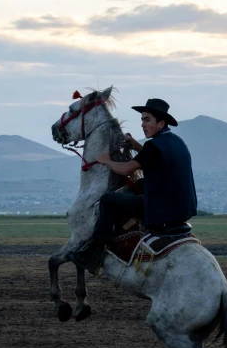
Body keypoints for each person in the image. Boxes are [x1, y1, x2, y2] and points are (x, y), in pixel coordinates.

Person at [67, 98, 197, 273]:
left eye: (147, 120)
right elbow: (153, 158)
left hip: (163, 209)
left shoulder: (154, 146)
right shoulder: (174, 141)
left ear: (161, 123)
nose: (143, 124)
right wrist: (135, 145)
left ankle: (94, 253)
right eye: (142, 119)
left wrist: (106, 161)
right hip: (182, 208)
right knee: (141, 183)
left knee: (108, 199)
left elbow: (126, 170)